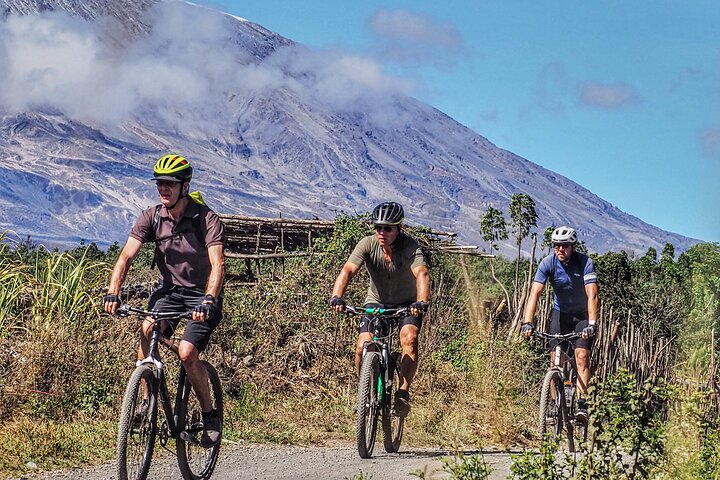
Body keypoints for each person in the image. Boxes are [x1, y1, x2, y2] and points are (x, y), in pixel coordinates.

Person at [103, 154, 226, 447]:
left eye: (170, 183)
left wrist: (209, 299)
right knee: (146, 330)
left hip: (202, 295)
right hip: (170, 292)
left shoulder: (207, 219)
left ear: (185, 185)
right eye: (160, 183)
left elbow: (218, 265)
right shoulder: (152, 217)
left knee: (186, 352)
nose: (163, 188)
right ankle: (146, 401)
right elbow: (126, 257)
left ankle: (210, 415)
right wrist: (113, 292)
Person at [329, 201, 430, 417]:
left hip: (407, 304)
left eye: (388, 228)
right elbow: (348, 270)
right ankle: (364, 391)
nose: (381, 232)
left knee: (409, 338)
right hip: (376, 302)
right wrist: (337, 297)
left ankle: (402, 393)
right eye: (378, 228)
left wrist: (421, 301)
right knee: (362, 346)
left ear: (399, 229)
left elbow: (422, 273)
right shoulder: (367, 244)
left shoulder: (410, 246)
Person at [522, 225, 598, 421]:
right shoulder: (548, 263)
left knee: (581, 356)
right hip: (560, 314)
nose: (560, 250)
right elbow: (535, 293)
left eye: (564, 246)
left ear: (573, 246)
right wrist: (527, 322)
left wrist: (591, 323)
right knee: (555, 360)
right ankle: (555, 406)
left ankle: (582, 406)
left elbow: (593, 295)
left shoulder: (585, 263)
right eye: (556, 246)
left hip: (582, 316)